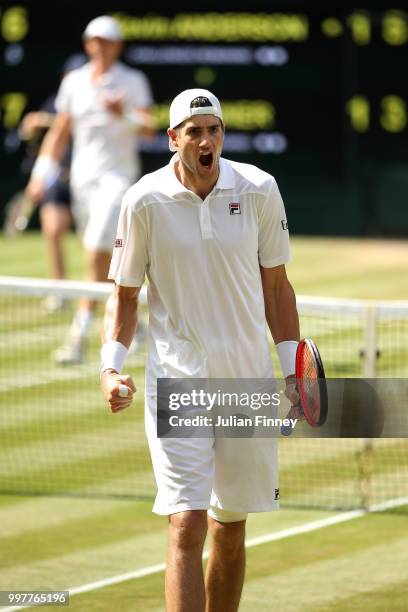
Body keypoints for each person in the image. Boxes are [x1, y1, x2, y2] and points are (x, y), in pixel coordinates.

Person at [100, 88, 302, 611]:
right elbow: (124, 296)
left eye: (214, 129)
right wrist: (110, 368)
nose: (206, 140)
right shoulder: (143, 200)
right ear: (173, 140)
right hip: (179, 382)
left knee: (229, 529)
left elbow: (277, 288)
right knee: (186, 522)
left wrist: (291, 371)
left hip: (247, 383)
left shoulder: (259, 189)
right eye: (194, 132)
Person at [25, 15, 155, 363]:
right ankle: (133, 323)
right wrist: (41, 173)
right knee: (100, 259)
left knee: (97, 252)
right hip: (82, 181)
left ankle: (79, 335)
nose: (101, 46)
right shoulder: (75, 82)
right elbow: (60, 132)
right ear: (88, 45)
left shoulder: (133, 80)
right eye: (95, 40)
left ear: (118, 46)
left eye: (108, 41)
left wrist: (123, 113)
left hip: (117, 180)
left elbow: (150, 128)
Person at [20, 54, 87, 311]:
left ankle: (112, 296)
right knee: (53, 230)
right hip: (58, 177)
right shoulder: (56, 101)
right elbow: (31, 128)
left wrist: (44, 121)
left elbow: (66, 124)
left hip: (88, 179)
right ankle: (59, 291)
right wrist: (33, 124)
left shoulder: (94, 100)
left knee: (94, 244)